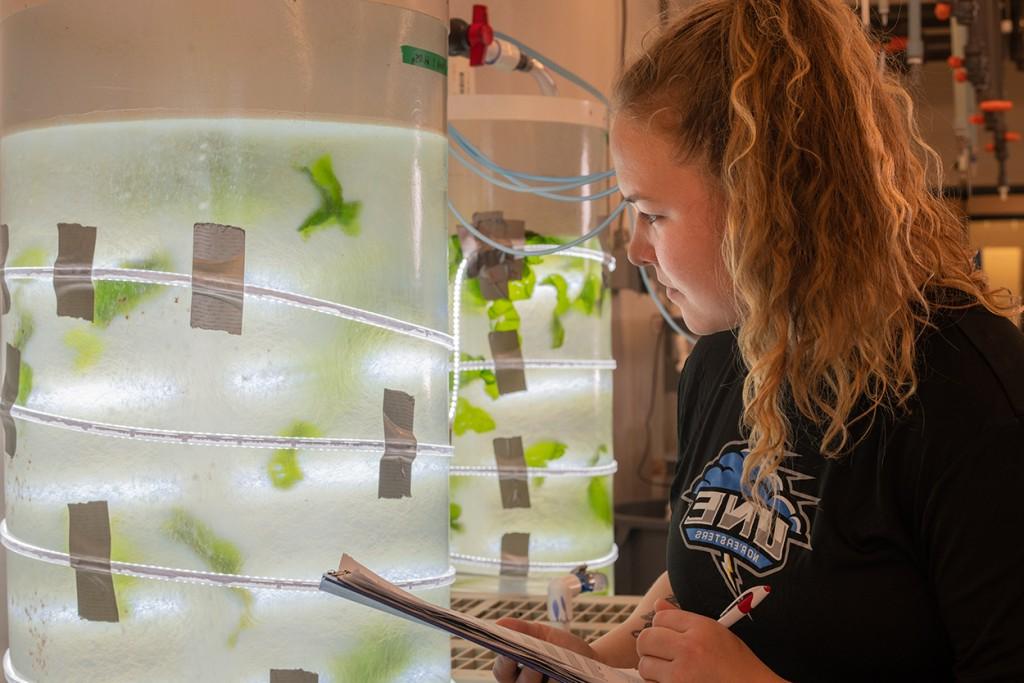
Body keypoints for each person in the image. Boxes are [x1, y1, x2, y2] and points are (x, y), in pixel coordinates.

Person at [492, 0, 1024, 681]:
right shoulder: (721, 357)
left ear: (762, 199)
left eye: (653, 214)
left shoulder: (964, 389)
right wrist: (597, 659)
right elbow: (711, 572)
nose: (636, 248)